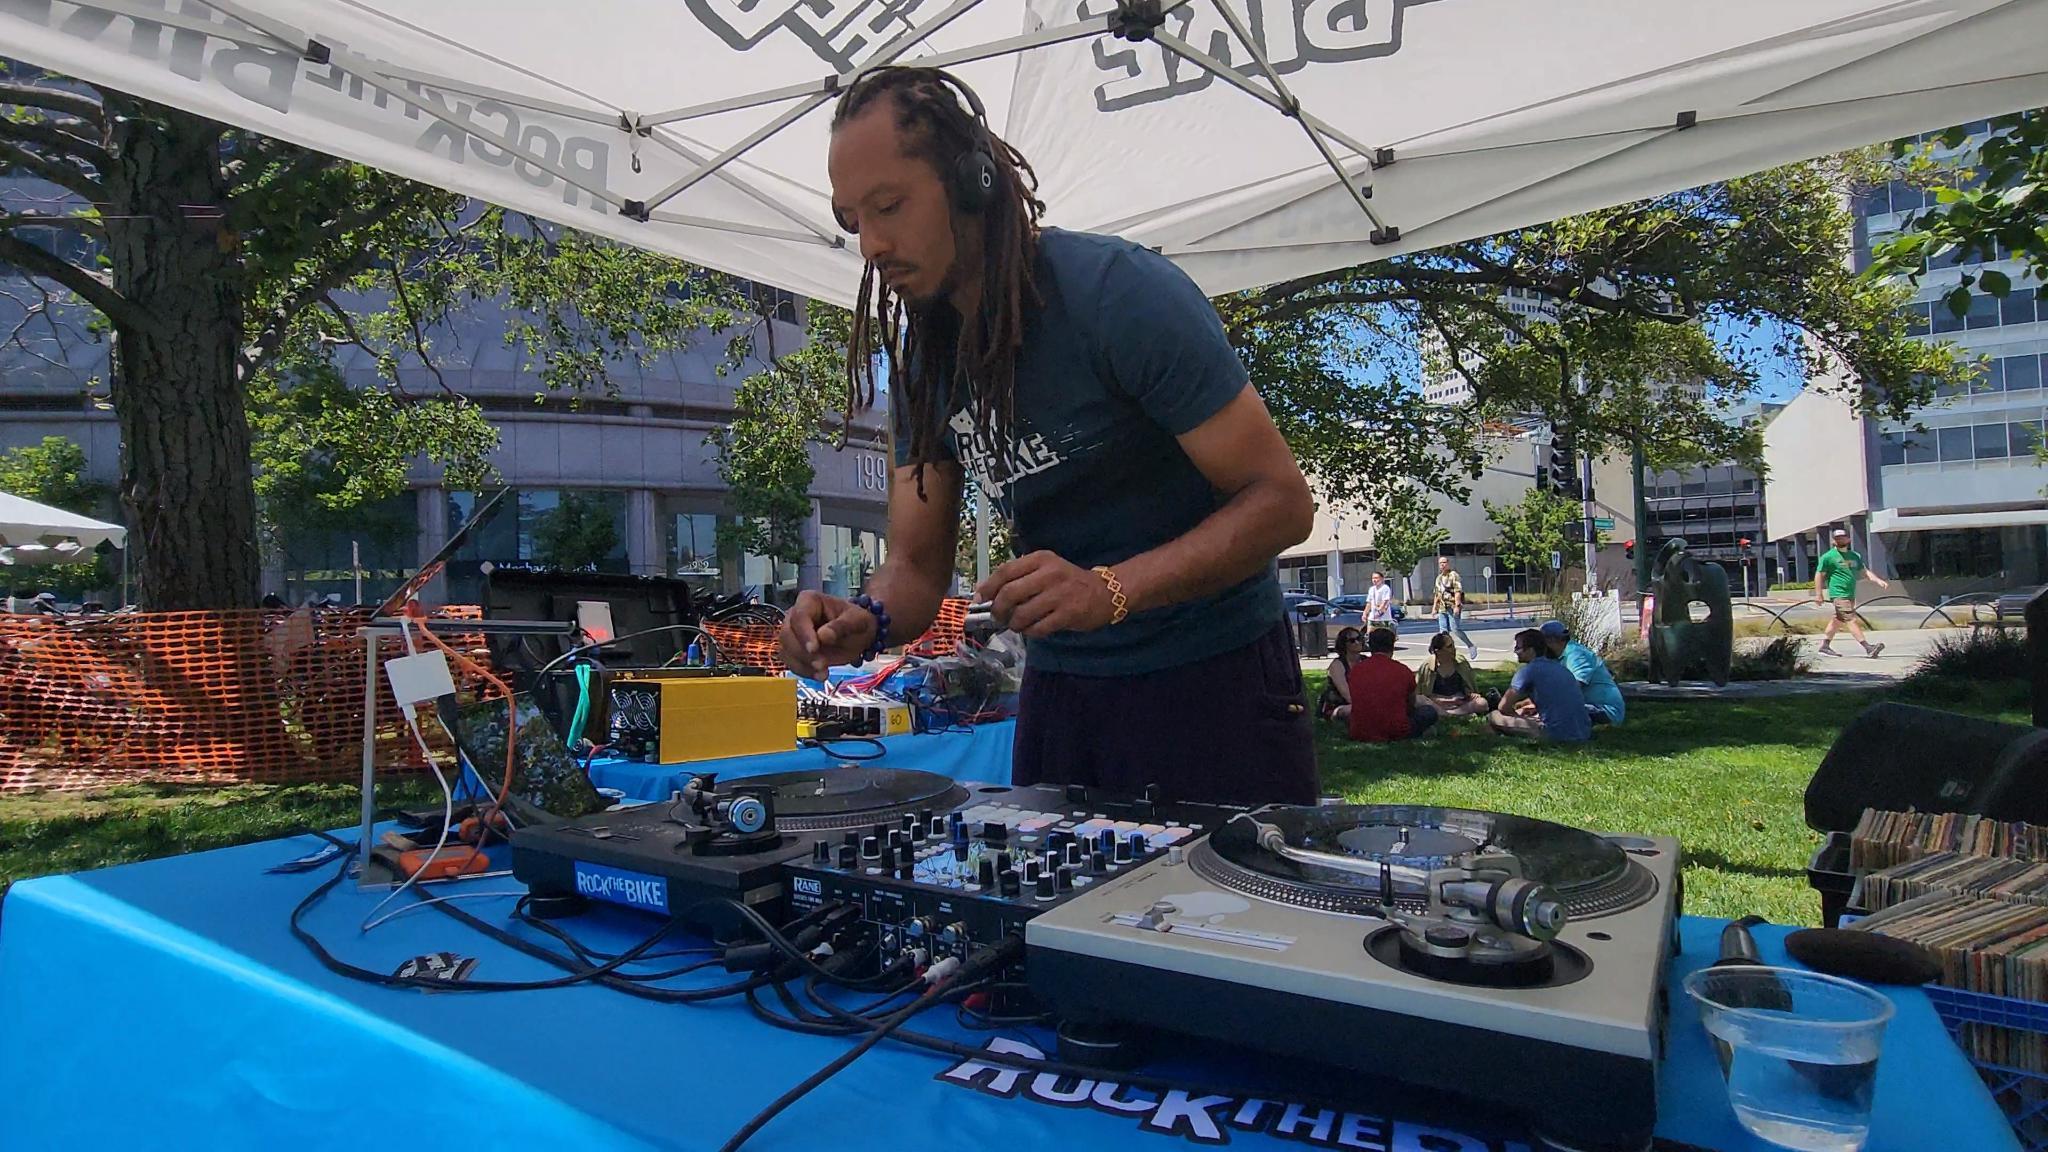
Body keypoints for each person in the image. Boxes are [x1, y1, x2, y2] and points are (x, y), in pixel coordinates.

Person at [778, 66, 1319, 807]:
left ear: (972, 183)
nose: (871, 244)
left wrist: (1110, 589)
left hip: (1217, 683)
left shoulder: (1119, 294)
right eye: (853, 221)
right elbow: (915, 568)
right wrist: (861, 620)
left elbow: (1281, 503)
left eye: (890, 206)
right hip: (1064, 693)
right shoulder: (923, 364)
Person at [1488, 628, 1591, 742]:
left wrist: (1520, 718)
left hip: (1555, 733)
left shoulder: (1527, 671)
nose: (1515, 651)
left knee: (1494, 715)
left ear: (1531, 650)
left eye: (1518, 648)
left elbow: (1503, 707)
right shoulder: (1561, 668)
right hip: (1583, 731)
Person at [1347, 628, 1437, 742]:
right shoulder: (1403, 671)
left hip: (1360, 731)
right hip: (1396, 731)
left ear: (1370, 646)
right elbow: (1410, 703)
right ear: (1392, 647)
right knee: (1429, 712)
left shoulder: (1356, 670)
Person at [1814, 527, 1888, 659]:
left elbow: (1864, 571)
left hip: (1850, 593)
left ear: (1848, 539)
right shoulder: (1828, 557)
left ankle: (1825, 646)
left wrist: (1877, 580)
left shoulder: (1855, 556)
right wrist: (1818, 594)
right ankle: (1868, 648)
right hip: (1838, 593)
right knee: (1850, 619)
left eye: (1842, 537)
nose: (1840, 540)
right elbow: (1819, 575)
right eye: (1837, 538)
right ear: (1833, 541)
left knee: (1838, 619)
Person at [1539, 619, 1625, 727]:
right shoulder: (1558, 657)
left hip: (1605, 710)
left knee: (1552, 714)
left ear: (1551, 640)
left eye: (1541, 643)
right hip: (1586, 706)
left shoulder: (1576, 654)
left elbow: (1574, 688)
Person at [1422, 631, 1490, 716]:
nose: (1454, 649)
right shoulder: (1428, 666)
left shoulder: (1460, 662)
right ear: (1438, 651)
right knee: (1421, 702)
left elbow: (1468, 688)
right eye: (1449, 647)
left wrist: (1471, 694)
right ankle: (1450, 714)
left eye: (1453, 645)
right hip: (1439, 703)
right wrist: (1450, 700)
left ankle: (1448, 714)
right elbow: (1424, 695)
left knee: (1482, 703)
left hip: (1461, 702)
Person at [1431, 557, 1479, 660]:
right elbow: (1437, 594)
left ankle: (1470, 646)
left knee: (1455, 629)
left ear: (1448, 563)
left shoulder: (1453, 575)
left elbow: (1458, 591)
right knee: (1443, 632)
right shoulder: (1439, 578)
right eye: (1440, 563)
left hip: (1452, 606)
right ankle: (1446, 652)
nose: (1442, 565)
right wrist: (1434, 607)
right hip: (1442, 607)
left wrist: (1457, 606)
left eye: (1444, 562)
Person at [1319, 627, 1364, 722]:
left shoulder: (1366, 661)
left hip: (1362, 703)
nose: (1357, 642)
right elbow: (1347, 695)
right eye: (1352, 641)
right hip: (1339, 705)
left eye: (1359, 638)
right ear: (1344, 644)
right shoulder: (1337, 665)